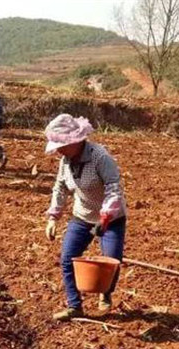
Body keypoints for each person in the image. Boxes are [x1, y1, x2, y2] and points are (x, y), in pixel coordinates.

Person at [44, 114, 127, 322]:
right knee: (67, 259)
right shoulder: (66, 161)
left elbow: (113, 188)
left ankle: (105, 292)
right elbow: (60, 187)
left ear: (76, 141)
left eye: (61, 145)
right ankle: (74, 306)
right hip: (82, 216)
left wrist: (106, 216)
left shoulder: (99, 157)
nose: (58, 151)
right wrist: (53, 216)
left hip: (111, 218)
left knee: (111, 261)